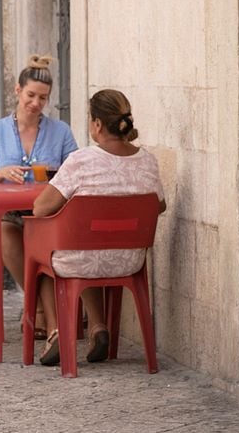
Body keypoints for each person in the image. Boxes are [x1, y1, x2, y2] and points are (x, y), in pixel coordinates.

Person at [31, 89, 166, 366]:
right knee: (85, 242)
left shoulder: (81, 160)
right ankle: (98, 327)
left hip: (81, 259)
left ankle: (57, 332)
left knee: (44, 257)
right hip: (128, 260)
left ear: (97, 124)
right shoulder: (148, 161)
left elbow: (40, 208)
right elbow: (159, 206)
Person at [0, 55, 78, 339]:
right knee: (5, 233)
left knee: (38, 238)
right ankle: (39, 305)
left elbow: (76, 174)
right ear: (17, 91)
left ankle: (39, 312)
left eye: (43, 98)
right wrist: (1, 172)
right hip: (7, 216)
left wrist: (55, 176)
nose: (36, 103)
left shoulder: (61, 132)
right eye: (31, 95)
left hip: (46, 214)